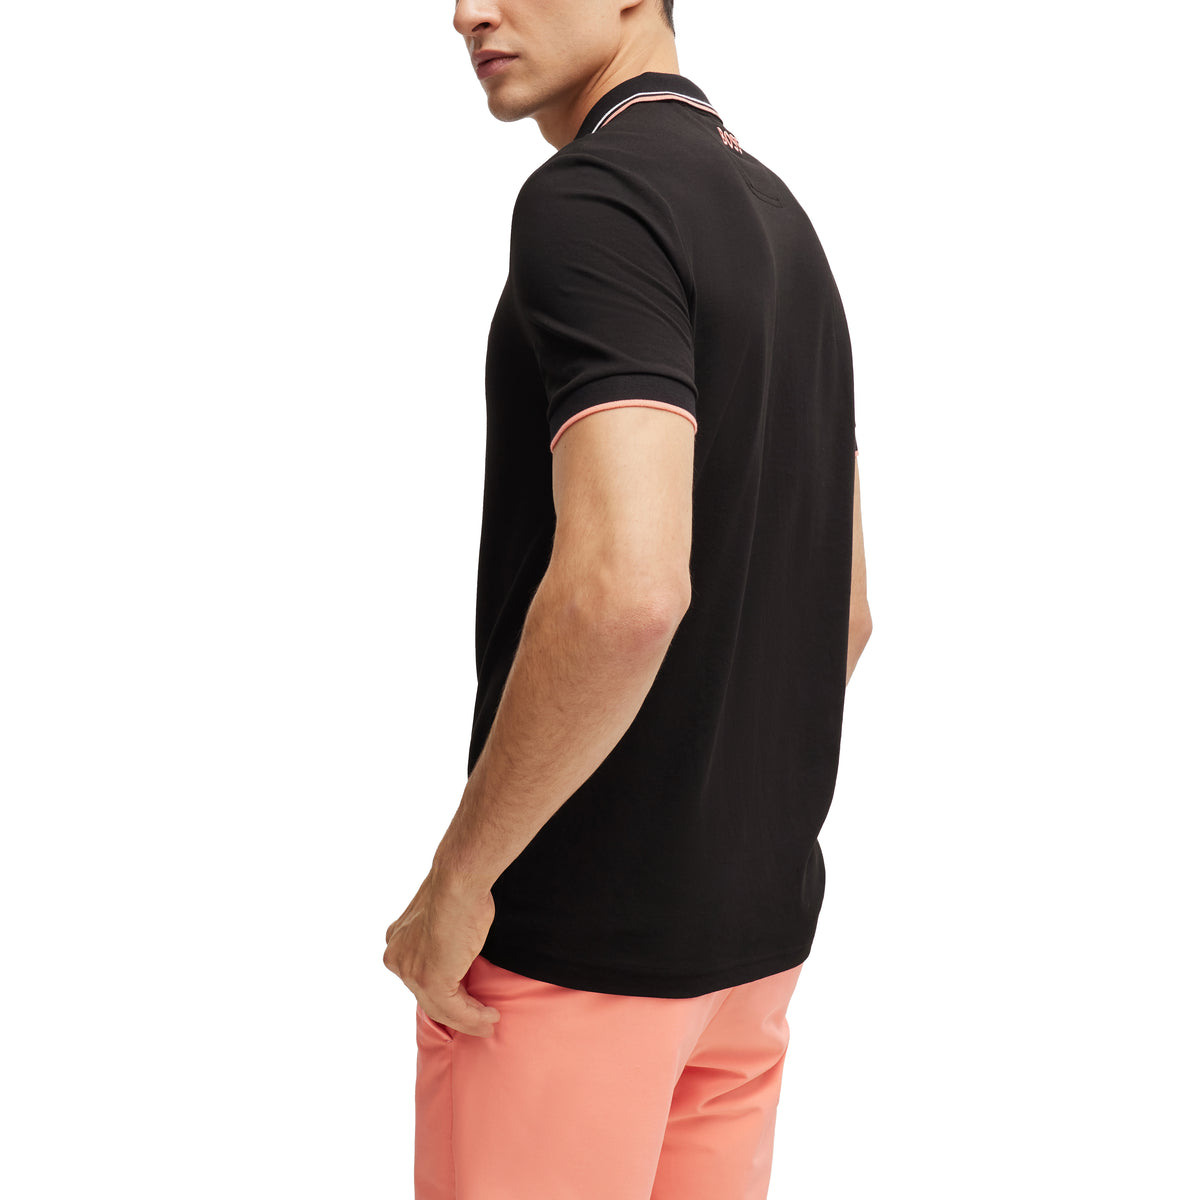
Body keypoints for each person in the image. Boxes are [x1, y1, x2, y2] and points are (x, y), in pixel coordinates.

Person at [383, 1, 872, 1195]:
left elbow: (627, 590)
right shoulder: (784, 222)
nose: (466, 11)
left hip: (572, 958)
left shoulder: (594, 202)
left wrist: (461, 881)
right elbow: (846, 611)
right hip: (749, 959)